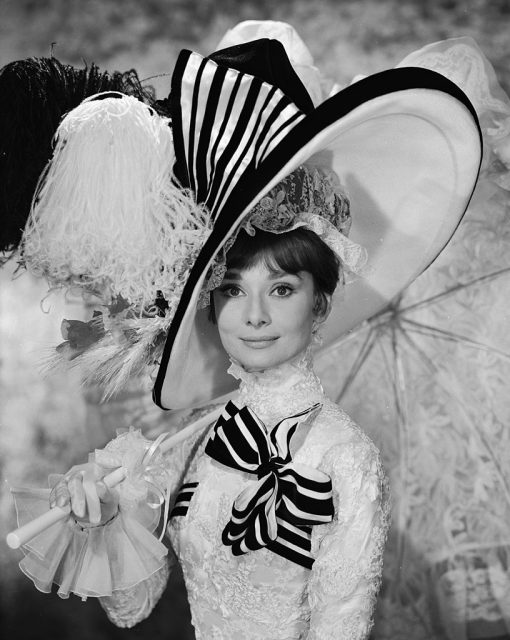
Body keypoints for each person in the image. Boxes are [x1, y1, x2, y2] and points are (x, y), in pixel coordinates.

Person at [8, 19, 489, 640]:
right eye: (233, 291)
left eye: (282, 289)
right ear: (208, 303)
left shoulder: (345, 462)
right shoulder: (174, 448)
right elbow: (133, 608)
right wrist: (103, 519)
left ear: (319, 306)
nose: (255, 316)